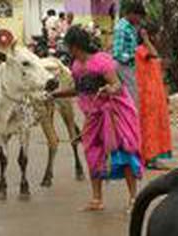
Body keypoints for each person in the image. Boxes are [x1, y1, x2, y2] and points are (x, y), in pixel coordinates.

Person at [52, 25, 143, 211]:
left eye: (69, 46)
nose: (68, 50)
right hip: (93, 116)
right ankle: (97, 199)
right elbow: (78, 90)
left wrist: (110, 89)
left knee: (122, 153)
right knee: (92, 154)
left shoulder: (102, 61)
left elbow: (116, 85)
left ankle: (133, 198)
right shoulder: (76, 67)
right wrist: (55, 95)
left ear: (76, 46)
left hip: (113, 114)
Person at [135, 23, 172, 170]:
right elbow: (154, 54)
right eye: (156, 34)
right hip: (147, 96)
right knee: (149, 127)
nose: (158, 38)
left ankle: (151, 157)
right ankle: (150, 158)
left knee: (155, 127)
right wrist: (145, 39)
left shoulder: (146, 50)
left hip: (155, 94)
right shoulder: (142, 50)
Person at [111, 0, 144, 105]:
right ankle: (132, 119)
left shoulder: (131, 27)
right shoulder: (122, 28)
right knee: (132, 97)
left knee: (133, 95)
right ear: (132, 14)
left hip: (129, 66)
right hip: (123, 66)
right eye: (139, 16)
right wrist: (134, 56)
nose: (139, 20)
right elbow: (118, 53)